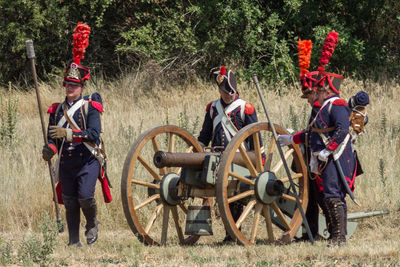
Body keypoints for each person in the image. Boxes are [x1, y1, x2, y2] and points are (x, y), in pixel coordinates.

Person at [279, 31, 358, 245]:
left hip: (335, 156)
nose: (312, 96)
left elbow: (342, 131)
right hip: (323, 158)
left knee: (333, 196)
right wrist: (290, 139)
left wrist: (328, 149)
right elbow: (311, 133)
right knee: (325, 197)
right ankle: (332, 235)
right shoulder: (323, 107)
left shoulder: (338, 105)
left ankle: (339, 238)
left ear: (324, 89)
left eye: (314, 92)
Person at [41, 22, 109, 247]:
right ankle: (73, 242)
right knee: (70, 201)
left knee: (85, 197)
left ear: (81, 87)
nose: (70, 89)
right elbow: (53, 138)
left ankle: (92, 224)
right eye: (68, 85)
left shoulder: (91, 107)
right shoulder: (56, 110)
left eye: (74, 85)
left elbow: (93, 134)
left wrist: (68, 134)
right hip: (67, 161)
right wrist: (49, 149)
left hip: (88, 159)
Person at [198, 66, 264, 242]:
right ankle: (230, 233)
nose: (228, 95)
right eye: (225, 92)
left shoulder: (245, 108)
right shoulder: (212, 108)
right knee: (222, 196)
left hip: (240, 160)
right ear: (219, 90)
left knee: (233, 197)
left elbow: (256, 138)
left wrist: (260, 162)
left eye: (231, 92)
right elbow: (205, 134)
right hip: (217, 158)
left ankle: (234, 233)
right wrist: (196, 149)